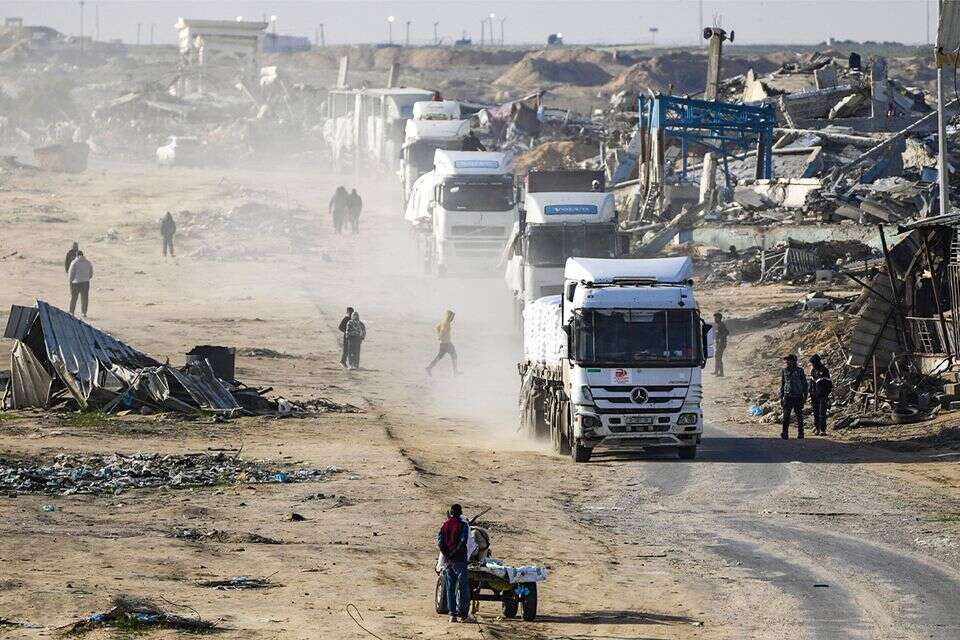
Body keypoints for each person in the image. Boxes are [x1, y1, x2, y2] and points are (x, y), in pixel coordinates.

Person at [436, 504, 470, 623]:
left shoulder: (444, 525)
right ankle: (464, 615)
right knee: (463, 587)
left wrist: (447, 555)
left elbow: (440, 542)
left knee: (450, 587)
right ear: (460, 514)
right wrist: (455, 553)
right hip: (460, 560)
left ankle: (453, 615)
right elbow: (463, 541)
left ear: (450, 513)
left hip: (449, 561)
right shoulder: (463, 525)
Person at [780, 354, 808, 439]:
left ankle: (801, 433)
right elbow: (783, 384)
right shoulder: (784, 371)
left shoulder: (800, 371)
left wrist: (805, 396)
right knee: (786, 416)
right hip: (787, 396)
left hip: (798, 396)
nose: (788, 362)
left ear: (794, 361)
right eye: (787, 360)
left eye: (790, 360)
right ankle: (785, 433)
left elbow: (804, 384)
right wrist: (781, 397)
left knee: (799, 416)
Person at [427, 310, 458, 375]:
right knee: (454, 356)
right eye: (451, 317)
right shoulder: (447, 324)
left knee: (438, 357)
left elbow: (437, 328)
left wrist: (439, 335)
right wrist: (440, 336)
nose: (452, 319)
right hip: (448, 344)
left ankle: (429, 368)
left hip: (443, 344)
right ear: (449, 317)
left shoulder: (443, 322)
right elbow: (442, 331)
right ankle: (455, 372)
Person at [809, 354, 833, 436]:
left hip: (822, 396)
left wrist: (826, 394)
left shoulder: (824, 370)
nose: (812, 364)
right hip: (814, 396)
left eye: (813, 363)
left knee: (822, 413)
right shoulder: (813, 371)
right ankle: (817, 428)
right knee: (815, 413)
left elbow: (829, 384)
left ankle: (823, 430)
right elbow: (811, 383)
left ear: (817, 362)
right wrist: (810, 393)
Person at [67, 250, 93, 318]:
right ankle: (84, 313)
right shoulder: (88, 262)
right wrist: (86, 278)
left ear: (77, 255)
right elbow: (91, 274)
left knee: (74, 298)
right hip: (86, 282)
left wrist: (71, 281)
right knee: (85, 298)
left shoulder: (74, 262)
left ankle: (71, 312)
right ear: (83, 255)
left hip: (76, 282)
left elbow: (71, 273)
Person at [713, 312, 729, 376]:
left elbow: (727, 332)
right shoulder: (719, 324)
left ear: (719, 318)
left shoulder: (721, 324)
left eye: (715, 318)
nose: (714, 319)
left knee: (718, 357)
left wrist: (721, 339)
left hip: (721, 344)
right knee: (717, 356)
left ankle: (721, 373)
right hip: (719, 344)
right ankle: (716, 371)